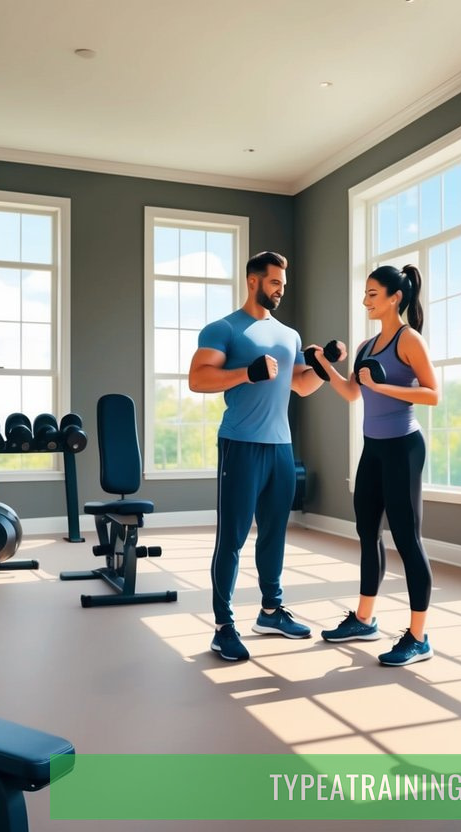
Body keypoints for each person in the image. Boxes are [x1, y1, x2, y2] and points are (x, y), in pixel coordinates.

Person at [189, 251, 328, 661]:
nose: (281, 290)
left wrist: (322, 367)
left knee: (274, 532)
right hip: (241, 444)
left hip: (281, 446)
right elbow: (198, 378)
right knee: (231, 537)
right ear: (253, 281)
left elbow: (300, 386)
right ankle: (223, 626)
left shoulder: (289, 335)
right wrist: (245, 373)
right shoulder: (223, 329)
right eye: (274, 283)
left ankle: (271, 610)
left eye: (283, 284)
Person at [308, 264, 439, 666]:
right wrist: (324, 367)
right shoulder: (365, 346)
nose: (365, 301)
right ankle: (365, 619)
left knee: (407, 538)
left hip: (403, 447)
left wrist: (382, 386)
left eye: (372, 294)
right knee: (367, 531)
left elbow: (432, 395)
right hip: (373, 449)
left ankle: (419, 637)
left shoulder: (408, 339)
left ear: (395, 297)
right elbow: (351, 393)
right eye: (364, 294)